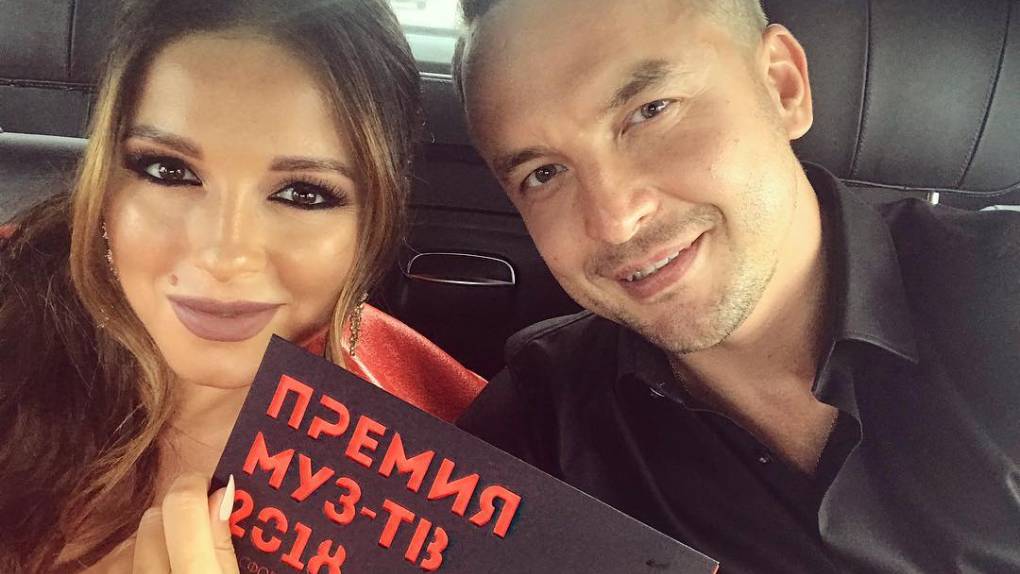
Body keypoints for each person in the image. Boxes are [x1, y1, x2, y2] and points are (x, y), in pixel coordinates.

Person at [453, 0, 1020, 572]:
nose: (614, 220)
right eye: (544, 174)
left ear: (782, 86)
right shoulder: (534, 434)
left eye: (649, 111)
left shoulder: (1003, 291)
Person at [0, 0, 484, 571]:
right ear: (105, 179)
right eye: (168, 171)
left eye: (303, 193)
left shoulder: (453, 452)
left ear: (375, 216)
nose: (224, 256)